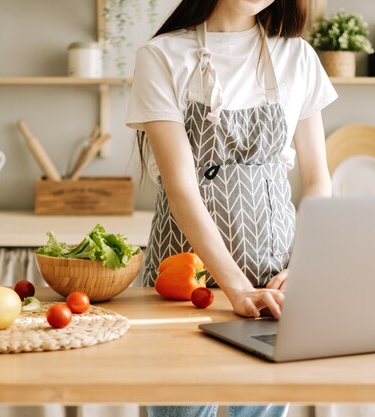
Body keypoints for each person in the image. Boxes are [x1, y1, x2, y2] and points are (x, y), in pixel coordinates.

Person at [126, 0, 337, 416]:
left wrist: (305, 268)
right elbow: (181, 187)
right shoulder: (161, 56)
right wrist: (236, 287)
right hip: (186, 284)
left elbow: (317, 178)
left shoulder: (298, 56)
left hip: (275, 281)